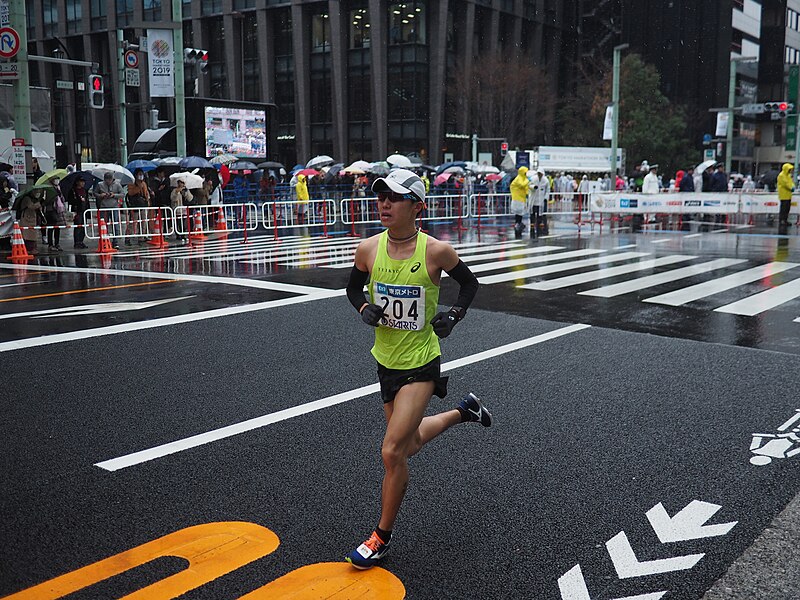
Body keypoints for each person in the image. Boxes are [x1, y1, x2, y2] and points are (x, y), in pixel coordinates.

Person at [344, 169, 490, 570]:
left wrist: (453, 316)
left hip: (422, 362)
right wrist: (364, 309)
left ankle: (381, 538)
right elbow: (352, 288)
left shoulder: (435, 252)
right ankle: (465, 411)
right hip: (385, 361)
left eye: (395, 197)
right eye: (381, 196)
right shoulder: (369, 249)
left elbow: (470, 284)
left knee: (392, 450)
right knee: (406, 445)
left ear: (417, 207)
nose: (385, 204)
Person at [94, 172, 124, 248]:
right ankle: (104, 241)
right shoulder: (100, 184)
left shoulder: (117, 184)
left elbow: (122, 194)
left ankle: (115, 242)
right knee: (104, 225)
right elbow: (95, 193)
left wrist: (114, 195)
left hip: (114, 206)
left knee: (115, 224)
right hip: (104, 207)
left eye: (109, 180)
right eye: (106, 180)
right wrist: (101, 195)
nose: (108, 181)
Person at [125, 168, 152, 245]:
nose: (141, 176)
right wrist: (138, 188)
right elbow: (130, 193)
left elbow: (146, 193)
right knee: (133, 222)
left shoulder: (144, 183)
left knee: (143, 221)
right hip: (135, 205)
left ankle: (142, 236)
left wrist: (147, 199)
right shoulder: (132, 183)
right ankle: (127, 237)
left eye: (142, 174)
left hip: (143, 205)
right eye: (139, 174)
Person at [68, 177, 90, 249]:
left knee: (83, 227)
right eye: (81, 181)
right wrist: (79, 200)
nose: (83, 183)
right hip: (77, 210)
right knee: (78, 226)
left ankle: (81, 241)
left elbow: (87, 201)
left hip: (84, 210)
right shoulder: (73, 190)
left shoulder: (85, 190)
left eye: (83, 181)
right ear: (77, 182)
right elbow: (70, 201)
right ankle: (77, 242)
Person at [170, 178, 193, 242]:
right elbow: (173, 199)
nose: (180, 184)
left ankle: (183, 234)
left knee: (183, 222)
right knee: (178, 222)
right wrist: (177, 192)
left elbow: (190, 198)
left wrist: (186, 192)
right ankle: (178, 234)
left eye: (182, 183)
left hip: (183, 209)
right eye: (179, 182)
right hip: (177, 209)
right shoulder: (175, 190)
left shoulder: (185, 190)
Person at [509, 166, 529, 238]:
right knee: (518, 212)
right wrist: (528, 181)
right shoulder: (518, 178)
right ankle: (517, 223)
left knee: (520, 212)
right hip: (517, 199)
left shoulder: (523, 178)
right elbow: (522, 185)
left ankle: (519, 223)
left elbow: (526, 190)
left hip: (521, 199)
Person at [777, 162, 794, 232]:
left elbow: (791, 182)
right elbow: (785, 183)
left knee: (787, 208)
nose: (791, 170)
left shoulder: (788, 175)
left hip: (788, 194)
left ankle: (785, 220)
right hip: (783, 194)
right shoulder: (781, 175)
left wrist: (792, 186)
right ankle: (782, 220)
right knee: (783, 208)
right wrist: (791, 187)